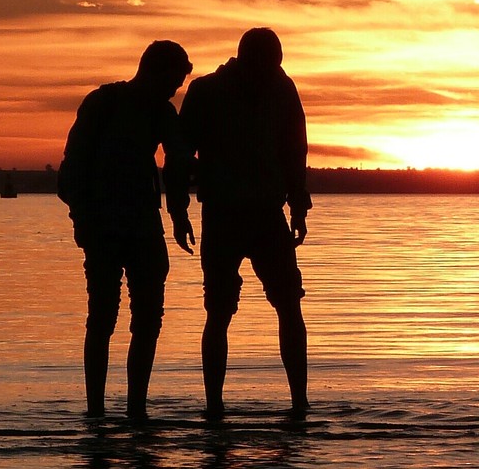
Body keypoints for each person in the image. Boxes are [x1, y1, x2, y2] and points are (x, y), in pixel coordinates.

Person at [175, 27, 311, 418]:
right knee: (218, 312)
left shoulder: (282, 90)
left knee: (289, 306)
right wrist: (179, 209)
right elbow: (181, 153)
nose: (272, 73)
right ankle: (214, 406)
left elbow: (294, 151)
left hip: (268, 214)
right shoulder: (206, 92)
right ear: (246, 59)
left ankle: (299, 402)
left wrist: (298, 206)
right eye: (267, 65)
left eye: (276, 67)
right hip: (221, 215)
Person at [57, 40, 196, 419]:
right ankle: (96, 412)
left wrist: (180, 213)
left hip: (144, 225)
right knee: (102, 317)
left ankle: (137, 410)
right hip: (103, 224)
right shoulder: (103, 102)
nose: (175, 90)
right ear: (153, 70)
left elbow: (178, 159)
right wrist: (82, 219)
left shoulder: (163, 113)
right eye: (173, 81)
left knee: (149, 319)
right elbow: (73, 166)